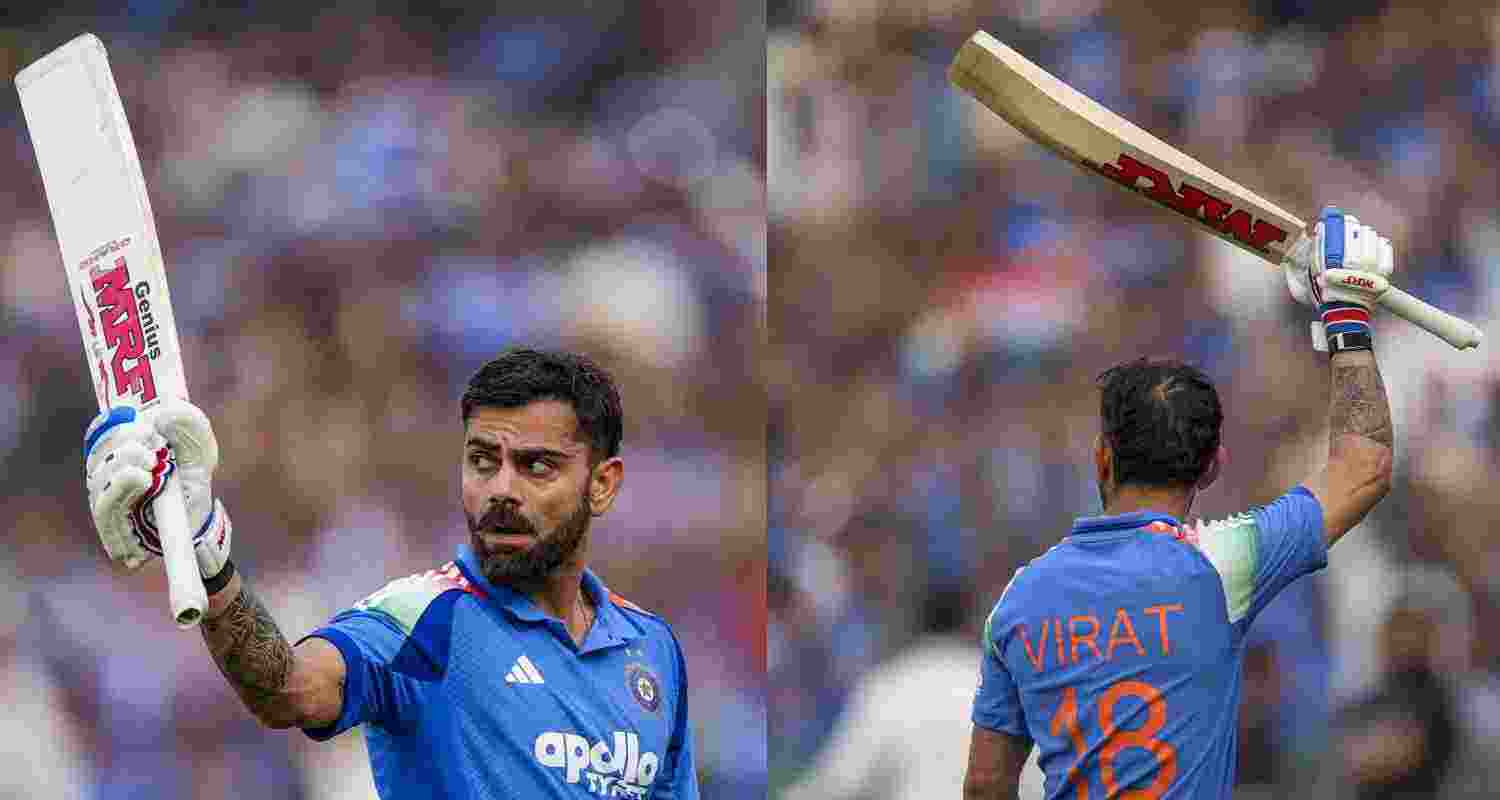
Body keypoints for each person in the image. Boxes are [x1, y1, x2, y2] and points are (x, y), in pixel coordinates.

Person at [82, 347, 700, 800]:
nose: (501, 490)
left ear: (602, 483)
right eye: (483, 461)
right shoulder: (425, 618)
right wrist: (208, 558)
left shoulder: (653, 651)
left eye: (537, 466)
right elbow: (288, 689)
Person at [962, 208, 1397, 799]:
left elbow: (986, 787)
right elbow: (1363, 464)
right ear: (1214, 466)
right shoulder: (1222, 564)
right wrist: (1346, 318)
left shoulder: (1020, 598)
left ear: (1101, 458)